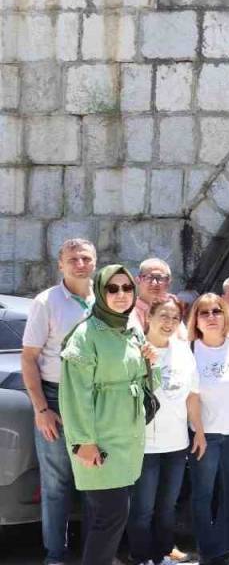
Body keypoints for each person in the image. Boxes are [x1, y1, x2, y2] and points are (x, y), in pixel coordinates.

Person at [59, 265, 152, 565]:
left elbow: (146, 382)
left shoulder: (132, 327)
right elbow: (74, 395)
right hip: (100, 438)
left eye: (127, 288)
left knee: (109, 516)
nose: (121, 294)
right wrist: (83, 442)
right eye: (113, 289)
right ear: (100, 292)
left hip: (128, 436)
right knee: (110, 516)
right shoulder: (86, 335)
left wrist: (152, 362)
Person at [21, 238, 95, 565]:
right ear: (61, 265)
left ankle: (95, 554)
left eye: (86, 258)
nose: (80, 264)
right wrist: (41, 409)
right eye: (73, 259)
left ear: (95, 262)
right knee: (57, 485)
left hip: (96, 400)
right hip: (56, 397)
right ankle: (56, 556)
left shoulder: (106, 299)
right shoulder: (46, 302)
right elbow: (29, 359)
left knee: (97, 481)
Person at [128, 296, 198, 565]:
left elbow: (192, 394)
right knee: (143, 508)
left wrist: (198, 431)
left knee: (167, 506)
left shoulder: (183, 350)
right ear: (149, 317)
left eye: (175, 318)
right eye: (163, 316)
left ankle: (165, 551)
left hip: (176, 442)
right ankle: (142, 556)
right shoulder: (135, 350)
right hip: (144, 443)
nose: (169, 323)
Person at [188, 294, 229, 565]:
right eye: (205, 313)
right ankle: (209, 550)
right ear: (196, 320)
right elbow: (190, 396)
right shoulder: (190, 350)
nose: (212, 316)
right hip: (204, 434)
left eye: (217, 311)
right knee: (203, 492)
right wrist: (199, 432)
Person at [130, 258, 175, 334]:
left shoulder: (173, 308)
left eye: (160, 278)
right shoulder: (129, 310)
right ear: (138, 280)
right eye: (149, 277)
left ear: (168, 282)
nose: (154, 283)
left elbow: (182, 339)